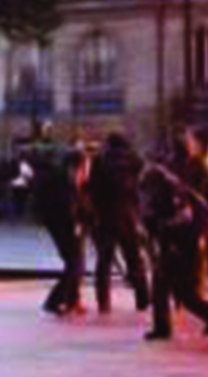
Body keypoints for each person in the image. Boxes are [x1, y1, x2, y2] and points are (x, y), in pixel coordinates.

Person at [141, 164, 208, 341]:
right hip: (183, 244)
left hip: (184, 245)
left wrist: (165, 230)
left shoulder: (172, 192)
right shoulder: (174, 188)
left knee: (184, 293)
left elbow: (183, 218)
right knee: (169, 287)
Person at [88, 133, 150, 314]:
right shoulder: (134, 159)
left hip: (106, 214)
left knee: (104, 261)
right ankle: (143, 298)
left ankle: (103, 302)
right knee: (134, 257)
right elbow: (142, 184)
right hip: (128, 213)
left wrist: (96, 211)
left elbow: (94, 188)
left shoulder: (100, 161)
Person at [40, 148, 91, 316]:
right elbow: (68, 206)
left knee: (76, 264)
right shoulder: (64, 180)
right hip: (65, 227)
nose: (87, 171)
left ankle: (71, 301)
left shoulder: (68, 178)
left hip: (66, 226)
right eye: (85, 166)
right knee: (75, 264)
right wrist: (76, 222)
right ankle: (55, 300)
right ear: (76, 166)